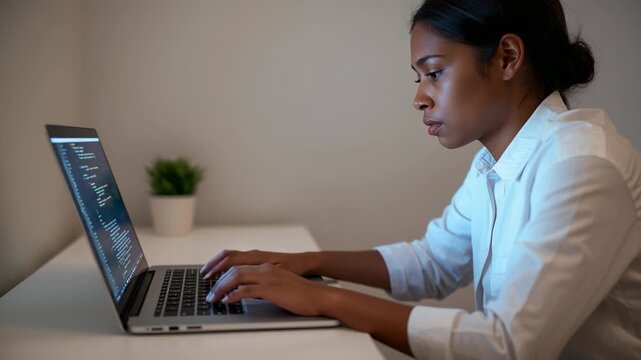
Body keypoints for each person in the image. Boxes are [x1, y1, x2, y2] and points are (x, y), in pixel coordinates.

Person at [200, 0, 641, 358]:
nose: (418, 98)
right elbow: (433, 263)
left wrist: (322, 299)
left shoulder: (582, 164)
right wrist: (306, 263)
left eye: (434, 73)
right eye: (419, 77)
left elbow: (508, 345)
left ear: (508, 57)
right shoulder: (495, 164)